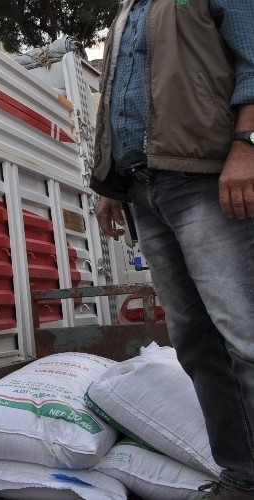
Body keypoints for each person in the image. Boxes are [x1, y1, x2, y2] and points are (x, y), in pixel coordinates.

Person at [92, 1, 253, 498]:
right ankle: (243, 478)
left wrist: (248, 142)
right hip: (144, 189)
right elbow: (122, 98)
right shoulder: (127, 10)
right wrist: (108, 183)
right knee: (196, 344)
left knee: (244, 334)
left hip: (206, 179)